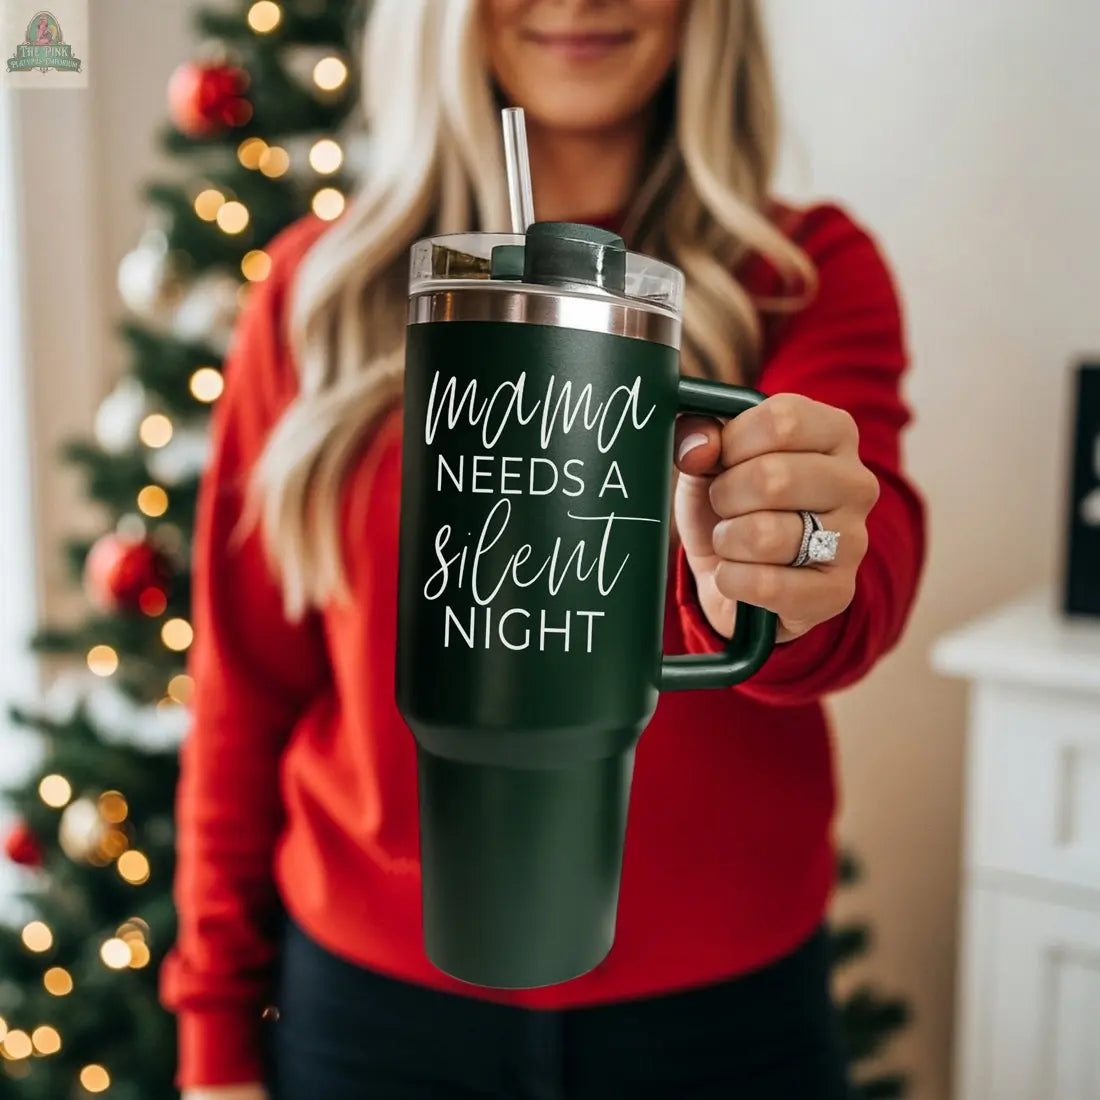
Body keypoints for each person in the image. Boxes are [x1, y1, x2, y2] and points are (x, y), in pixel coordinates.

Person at [160, 1, 926, 1098]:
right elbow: (244, 692)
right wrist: (214, 1036)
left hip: (720, 1022)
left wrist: (787, 574)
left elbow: (863, 565)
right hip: (368, 1016)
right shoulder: (312, 293)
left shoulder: (801, 274)